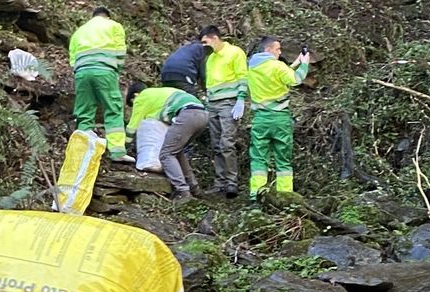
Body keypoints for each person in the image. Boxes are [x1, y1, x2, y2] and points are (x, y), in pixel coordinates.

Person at [246, 36, 309, 199]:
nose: (280, 52)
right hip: (279, 119)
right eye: (278, 49)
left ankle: (256, 195)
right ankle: (285, 195)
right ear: (269, 50)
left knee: (259, 159)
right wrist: (305, 64)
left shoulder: (252, 67)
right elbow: (296, 79)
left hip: (260, 119)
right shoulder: (277, 66)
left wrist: (294, 63)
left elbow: (276, 75)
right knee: (283, 159)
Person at [69, 7, 134, 162]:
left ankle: (81, 151)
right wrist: (116, 70)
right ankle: (117, 152)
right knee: (112, 108)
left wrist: (80, 71)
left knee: (84, 110)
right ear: (108, 17)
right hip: (105, 71)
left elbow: (72, 59)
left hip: (82, 73)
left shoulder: (79, 31)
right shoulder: (113, 26)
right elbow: (120, 51)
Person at [126, 81, 208, 199]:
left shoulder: (142, 96)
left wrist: (124, 147)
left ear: (135, 95)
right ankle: (195, 189)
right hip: (203, 115)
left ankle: (182, 191)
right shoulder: (162, 92)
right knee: (176, 152)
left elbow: (132, 126)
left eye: (133, 104)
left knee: (166, 154)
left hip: (187, 114)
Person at [200, 26, 248, 198]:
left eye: (205, 41)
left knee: (227, 142)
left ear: (214, 38)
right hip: (213, 104)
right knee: (216, 144)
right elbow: (210, 84)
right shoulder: (210, 59)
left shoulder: (235, 53)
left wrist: (241, 98)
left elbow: (243, 76)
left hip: (229, 103)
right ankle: (220, 183)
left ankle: (231, 183)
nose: (204, 45)